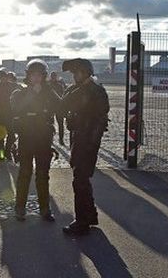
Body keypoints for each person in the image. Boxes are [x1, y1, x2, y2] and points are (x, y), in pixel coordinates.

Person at [60, 58, 109, 236]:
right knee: (82, 179)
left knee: (79, 180)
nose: (74, 76)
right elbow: (64, 104)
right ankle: (90, 215)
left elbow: (101, 116)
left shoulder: (95, 91)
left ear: (86, 73)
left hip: (87, 141)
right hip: (79, 138)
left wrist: (90, 144)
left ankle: (81, 222)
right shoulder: (80, 89)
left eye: (77, 73)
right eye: (73, 73)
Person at [11, 59, 60, 222]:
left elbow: (60, 108)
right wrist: (32, 94)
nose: (36, 78)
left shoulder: (49, 92)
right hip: (26, 138)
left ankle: (45, 209)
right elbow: (15, 110)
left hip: (44, 140)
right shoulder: (21, 93)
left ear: (44, 76)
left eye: (39, 75)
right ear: (28, 76)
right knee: (24, 173)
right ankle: (20, 207)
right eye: (33, 75)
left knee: (43, 175)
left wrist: (46, 92)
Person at [0, 67, 17, 161]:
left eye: (2, 77)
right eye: (0, 77)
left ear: (5, 77)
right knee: (1, 137)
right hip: (1, 115)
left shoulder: (11, 87)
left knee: (11, 135)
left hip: (8, 115)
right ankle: (2, 155)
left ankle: (7, 152)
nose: (1, 79)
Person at [49, 71, 66, 145]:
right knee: (50, 124)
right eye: (53, 76)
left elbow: (62, 95)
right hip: (51, 107)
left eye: (54, 76)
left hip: (58, 107)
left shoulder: (59, 85)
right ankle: (51, 138)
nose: (53, 78)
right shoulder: (49, 85)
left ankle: (61, 139)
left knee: (60, 124)